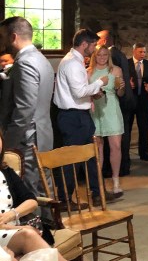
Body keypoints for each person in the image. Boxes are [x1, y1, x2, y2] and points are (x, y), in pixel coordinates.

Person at [53, 29, 109, 206]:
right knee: (73, 159)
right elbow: (78, 92)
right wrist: (100, 82)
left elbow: (79, 91)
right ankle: (64, 199)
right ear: (84, 44)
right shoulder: (72, 64)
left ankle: (97, 193)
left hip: (79, 115)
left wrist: (93, 93)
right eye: (93, 45)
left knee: (91, 156)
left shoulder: (75, 61)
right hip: (73, 117)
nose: (94, 49)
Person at [0, 17, 55, 197]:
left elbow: (24, 109)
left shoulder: (24, 62)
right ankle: (48, 217)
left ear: (13, 37)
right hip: (42, 133)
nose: (2, 43)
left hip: (28, 138)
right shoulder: (41, 59)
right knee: (44, 188)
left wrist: (7, 144)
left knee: (29, 191)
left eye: (2, 37)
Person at [87, 46, 126, 198]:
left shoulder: (115, 70)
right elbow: (85, 92)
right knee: (98, 148)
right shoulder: (88, 72)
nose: (102, 57)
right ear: (94, 56)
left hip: (111, 109)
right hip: (95, 110)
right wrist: (93, 95)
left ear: (108, 56)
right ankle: (99, 183)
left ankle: (116, 181)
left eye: (105, 55)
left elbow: (120, 94)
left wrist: (121, 88)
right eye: (99, 55)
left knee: (116, 146)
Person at [97, 29, 136, 177]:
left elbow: (116, 83)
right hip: (126, 100)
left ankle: (113, 169)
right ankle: (123, 167)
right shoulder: (120, 53)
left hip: (117, 101)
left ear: (104, 41)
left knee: (114, 140)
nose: (97, 44)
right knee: (121, 137)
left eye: (98, 40)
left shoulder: (112, 55)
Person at [128, 43, 148, 162]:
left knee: (144, 129)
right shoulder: (126, 64)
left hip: (144, 102)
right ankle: (125, 154)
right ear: (134, 51)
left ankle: (144, 153)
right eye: (140, 52)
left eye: (144, 52)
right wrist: (128, 84)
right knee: (127, 129)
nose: (143, 54)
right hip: (129, 102)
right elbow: (120, 79)